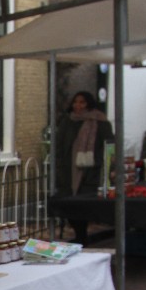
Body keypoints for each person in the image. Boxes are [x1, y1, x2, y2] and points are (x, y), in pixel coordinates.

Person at [54, 90, 115, 243]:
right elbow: (59, 146)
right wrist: (60, 167)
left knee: (84, 205)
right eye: (75, 102)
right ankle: (80, 235)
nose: (78, 105)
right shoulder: (67, 122)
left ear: (89, 104)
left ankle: (83, 236)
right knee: (70, 205)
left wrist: (105, 166)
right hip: (69, 172)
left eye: (82, 102)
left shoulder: (100, 122)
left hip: (91, 172)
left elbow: (109, 146)